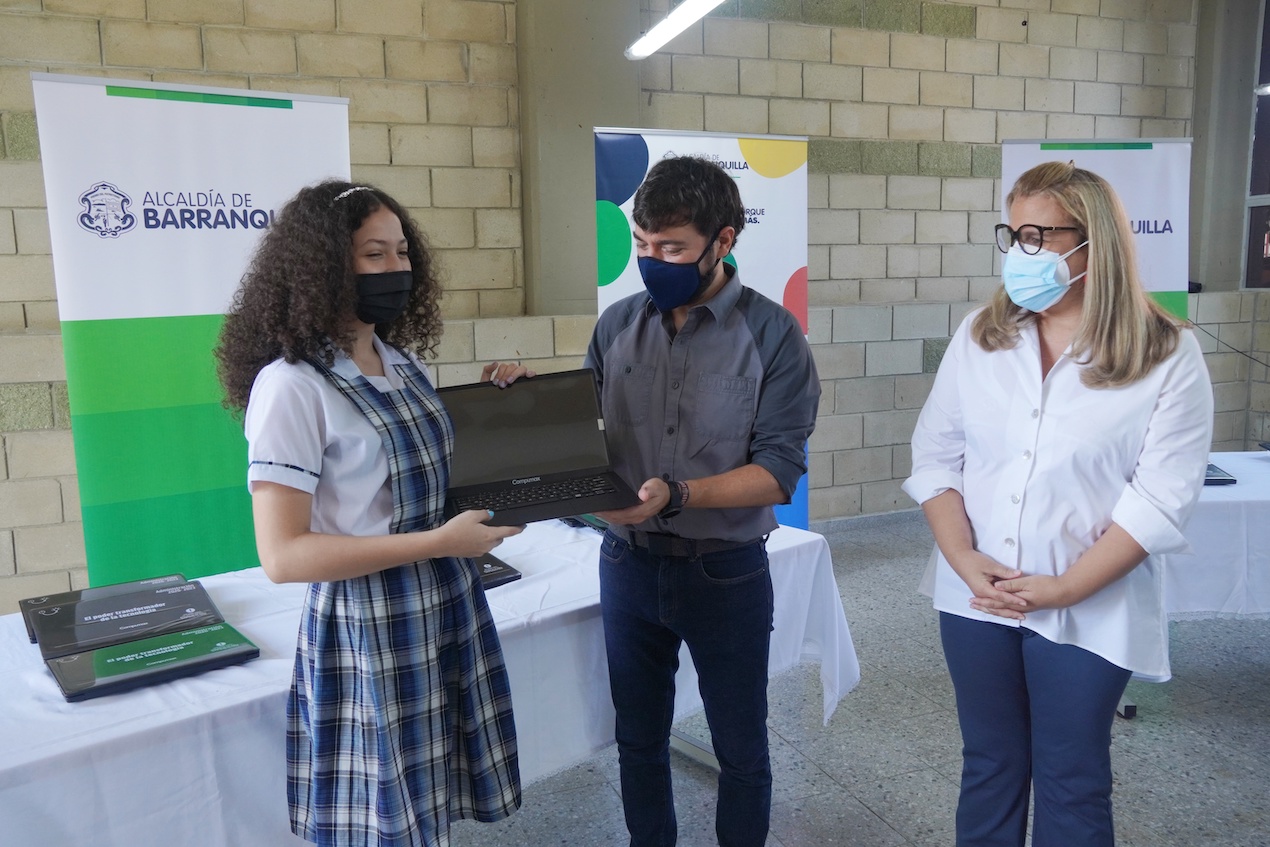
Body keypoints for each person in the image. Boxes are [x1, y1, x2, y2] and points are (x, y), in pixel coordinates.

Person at [902, 161, 1213, 847]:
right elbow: (936, 459)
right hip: (975, 596)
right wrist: (963, 558)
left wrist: (1064, 586)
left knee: (1072, 776)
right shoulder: (981, 336)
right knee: (989, 764)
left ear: (1093, 243)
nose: (1021, 252)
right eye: (1012, 234)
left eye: (1039, 235)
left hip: (1089, 602)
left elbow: (1161, 497)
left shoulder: (1167, 353)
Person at [215, 180, 523, 847]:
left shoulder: (399, 362)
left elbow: (426, 476)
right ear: (325, 267)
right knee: (385, 818)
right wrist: (436, 543)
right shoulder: (291, 386)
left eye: (402, 252)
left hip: (442, 603)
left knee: (429, 801)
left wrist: (500, 404)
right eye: (374, 254)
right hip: (369, 626)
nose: (396, 269)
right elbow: (283, 555)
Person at [581, 155, 820, 847]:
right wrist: (526, 399)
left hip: (726, 571)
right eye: (644, 246)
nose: (654, 261)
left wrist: (677, 493)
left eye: (674, 248)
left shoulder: (774, 336)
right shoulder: (617, 325)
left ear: (725, 239)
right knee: (639, 740)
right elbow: (586, 438)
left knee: (740, 749)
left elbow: (777, 472)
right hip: (626, 566)